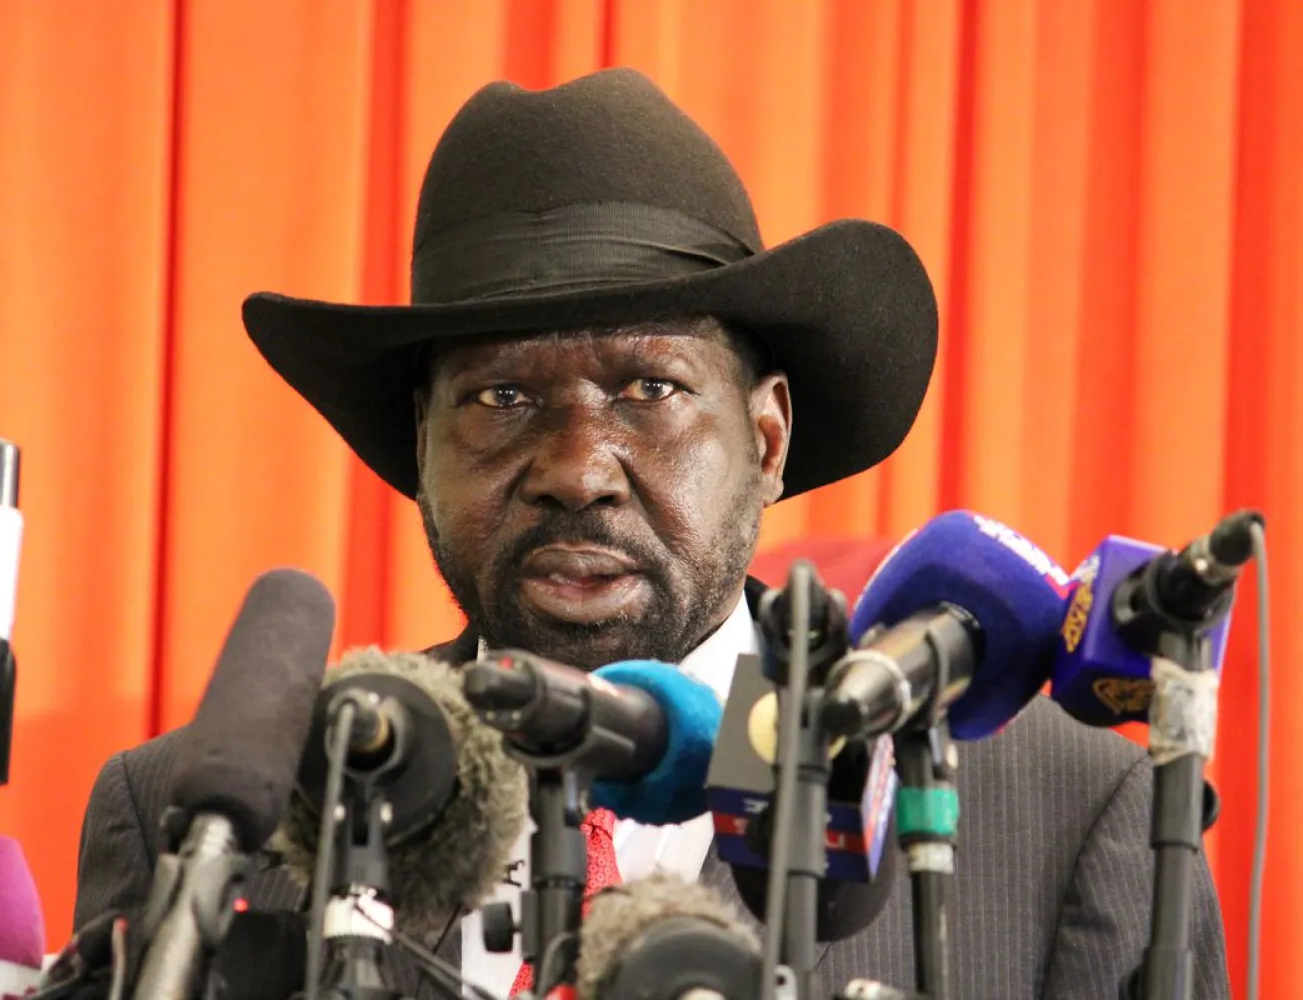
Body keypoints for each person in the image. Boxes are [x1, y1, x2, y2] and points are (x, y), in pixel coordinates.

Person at [72, 68, 1229, 998]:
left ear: (768, 436)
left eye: (650, 391)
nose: (577, 472)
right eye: (501, 399)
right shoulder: (222, 816)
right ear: (419, 447)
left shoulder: (1071, 816)